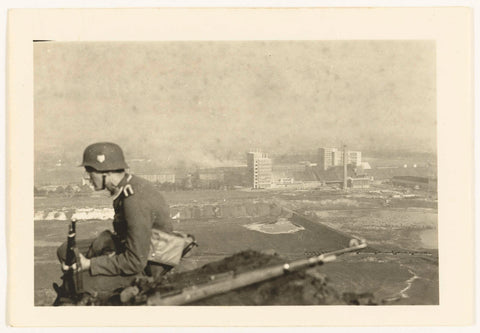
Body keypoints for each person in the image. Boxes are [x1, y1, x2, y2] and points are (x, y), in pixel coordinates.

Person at [55, 142, 195, 301]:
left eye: (89, 172)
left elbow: (135, 262)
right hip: (131, 248)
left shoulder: (134, 200)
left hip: (151, 264)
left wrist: (90, 264)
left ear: (105, 172)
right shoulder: (127, 186)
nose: (88, 178)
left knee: (74, 283)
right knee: (65, 251)